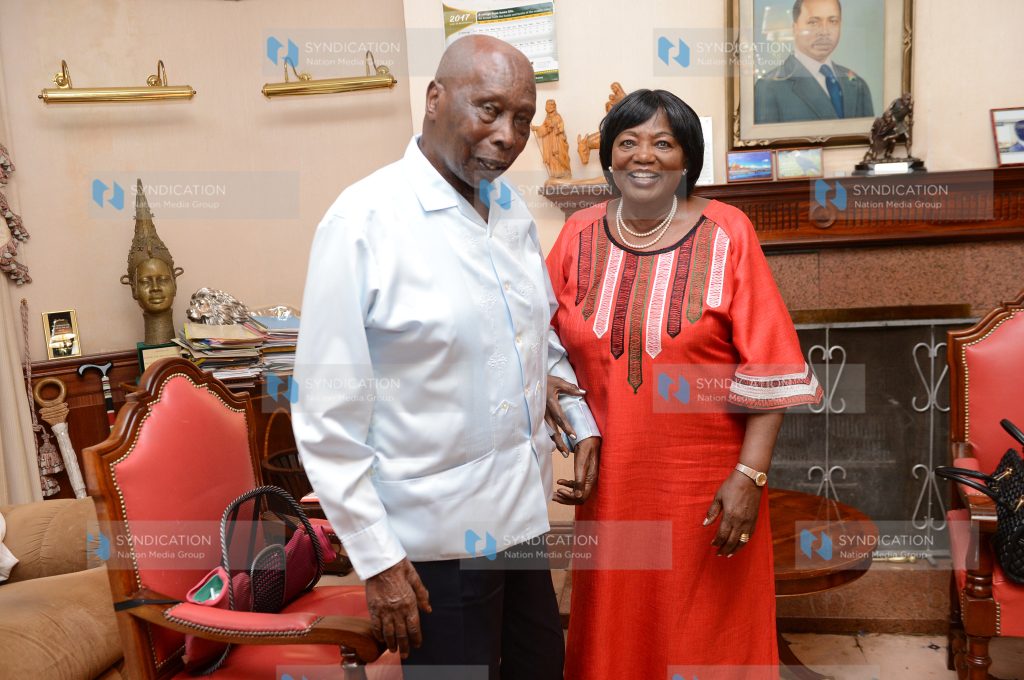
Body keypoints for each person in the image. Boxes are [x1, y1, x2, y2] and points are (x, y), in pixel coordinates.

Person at [291, 34, 600, 679]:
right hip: (432, 543)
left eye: (522, 117)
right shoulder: (363, 222)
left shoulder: (509, 210)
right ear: (433, 99)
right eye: (488, 109)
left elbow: (534, 333)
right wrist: (375, 559)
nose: (509, 135)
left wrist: (567, 401)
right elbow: (325, 416)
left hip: (521, 520)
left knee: (541, 667)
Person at [545, 89, 822, 679]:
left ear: (687, 158)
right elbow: (535, 341)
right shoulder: (576, 234)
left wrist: (749, 478)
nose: (644, 156)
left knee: (706, 635)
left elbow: (770, 364)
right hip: (614, 485)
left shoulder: (728, 231)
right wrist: (575, 426)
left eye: (663, 142)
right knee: (618, 626)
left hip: (709, 487)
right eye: (628, 142)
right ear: (609, 157)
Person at [755, 0, 873, 123]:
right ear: (794, 28)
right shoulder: (768, 87)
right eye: (813, 22)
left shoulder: (858, 85)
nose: (824, 32)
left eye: (833, 21)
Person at [532, 99, 572, 179]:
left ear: (554, 107)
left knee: (558, 156)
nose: (547, 107)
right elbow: (544, 128)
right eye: (547, 105)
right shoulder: (547, 118)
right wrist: (536, 128)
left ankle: (562, 174)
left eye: (549, 105)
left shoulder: (557, 117)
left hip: (557, 142)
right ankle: (555, 174)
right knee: (552, 158)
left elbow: (551, 127)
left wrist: (538, 128)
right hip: (550, 143)